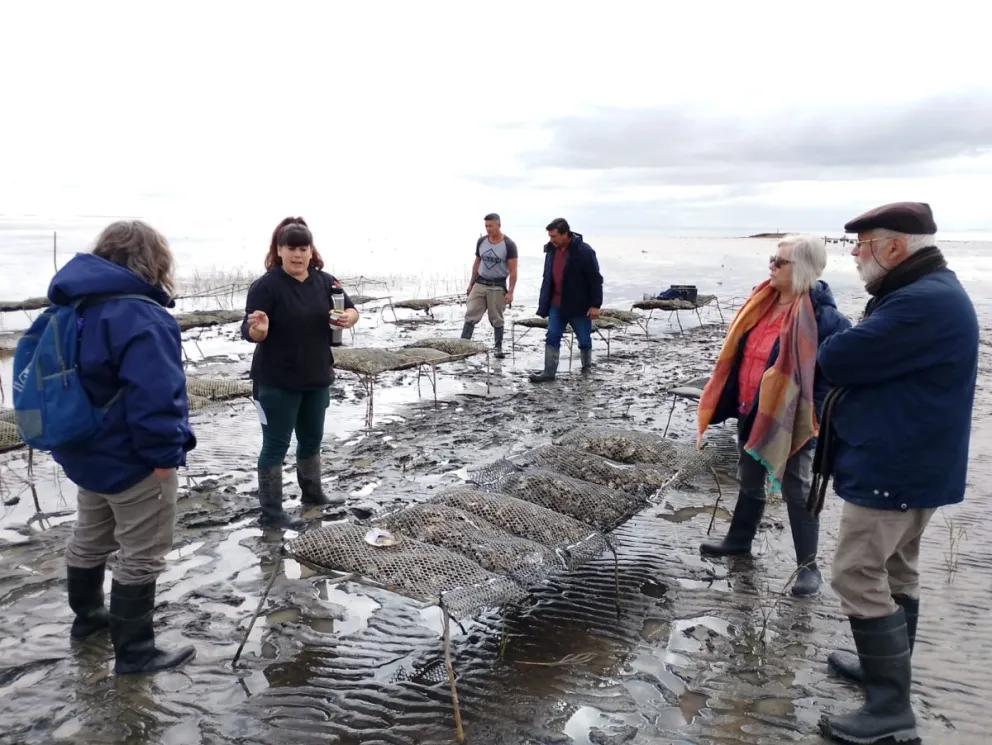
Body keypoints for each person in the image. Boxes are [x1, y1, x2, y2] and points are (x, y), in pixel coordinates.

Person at [811, 203, 977, 745]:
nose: (855, 254)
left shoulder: (920, 304)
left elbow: (839, 358)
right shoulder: (926, 293)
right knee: (896, 569)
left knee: (856, 574)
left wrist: (827, 323)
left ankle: (890, 709)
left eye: (861, 244)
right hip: (916, 462)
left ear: (894, 247)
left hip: (896, 465)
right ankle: (885, 669)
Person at [49, 220, 197, 675]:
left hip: (82, 450)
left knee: (91, 535)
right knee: (142, 550)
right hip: (132, 459)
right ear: (155, 263)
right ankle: (135, 652)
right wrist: (164, 459)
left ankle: (89, 621)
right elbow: (157, 398)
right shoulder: (143, 317)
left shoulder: (70, 309)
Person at [696, 234, 851, 597]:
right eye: (772, 258)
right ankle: (739, 540)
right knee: (749, 477)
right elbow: (742, 355)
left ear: (804, 269)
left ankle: (808, 568)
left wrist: (812, 416)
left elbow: (835, 378)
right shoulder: (760, 302)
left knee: (797, 489)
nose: (772, 265)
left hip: (793, 419)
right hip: (751, 409)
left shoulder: (827, 320)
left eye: (780, 262)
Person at [242, 217, 359, 531]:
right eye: (290, 248)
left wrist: (348, 317)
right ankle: (271, 513)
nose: (297, 254)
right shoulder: (266, 286)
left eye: (303, 248)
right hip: (275, 381)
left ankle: (313, 494)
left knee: (311, 440)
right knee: (275, 446)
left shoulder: (326, 282)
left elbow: (351, 309)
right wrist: (259, 330)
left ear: (311, 251)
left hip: (317, 376)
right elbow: (249, 329)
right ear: (279, 250)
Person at [529, 218, 603, 382]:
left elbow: (595, 279)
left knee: (584, 340)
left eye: (554, 236)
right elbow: (547, 277)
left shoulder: (584, 251)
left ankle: (586, 369)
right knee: (552, 336)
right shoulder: (551, 250)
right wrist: (544, 303)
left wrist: (596, 305)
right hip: (556, 304)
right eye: (549, 236)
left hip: (579, 305)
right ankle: (548, 373)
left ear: (565, 234)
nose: (551, 239)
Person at [461, 213, 518, 358]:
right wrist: (471, 283)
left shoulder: (509, 245)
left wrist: (510, 292)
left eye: (490, 225)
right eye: (486, 226)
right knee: (471, 312)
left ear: (498, 225)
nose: (488, 228)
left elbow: (513, 270)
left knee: (496, 317)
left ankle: (498, 347)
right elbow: (477, 262)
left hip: (497, 285)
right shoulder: (482, 241)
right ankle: (462, 345)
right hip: (480, 282)